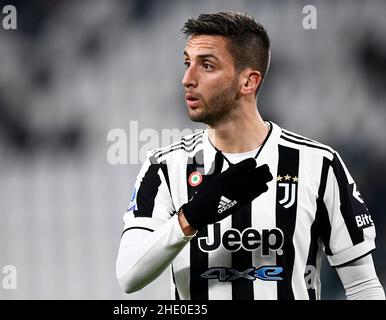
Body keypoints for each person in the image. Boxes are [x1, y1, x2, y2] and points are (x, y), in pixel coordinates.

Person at [115, 12, 385, 300]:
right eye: (187, 63)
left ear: (248, 82)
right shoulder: (165, 168)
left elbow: (362, 285)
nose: (187, 79)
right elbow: (129, 275)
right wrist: (190, 218)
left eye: (206, 65)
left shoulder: (318, 164)